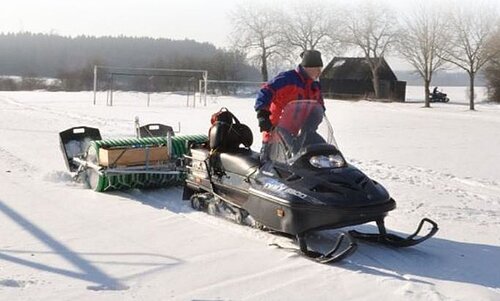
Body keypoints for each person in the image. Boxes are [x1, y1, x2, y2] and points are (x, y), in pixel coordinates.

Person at [254, 50, 325, 163]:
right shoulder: (287, 79)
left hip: (296, 134)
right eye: (318, 69)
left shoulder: (314, 86)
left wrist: (314, 120)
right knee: (269, 168)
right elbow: (265, 91)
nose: (319, 73)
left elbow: (319, 105)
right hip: (274, 130)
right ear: (309, 67)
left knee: (303, 164)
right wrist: (262, 115)